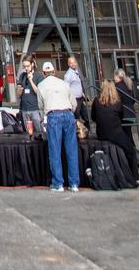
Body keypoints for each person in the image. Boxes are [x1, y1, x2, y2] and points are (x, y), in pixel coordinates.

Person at [36, 59, 79, 192]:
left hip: (53, 115)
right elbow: (74, 103)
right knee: (71, 150)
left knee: (55, 151)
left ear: (43, 73)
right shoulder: (64, 83)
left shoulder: (41, 85)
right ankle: (74, 184)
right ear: (54, 72)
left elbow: (40, 106)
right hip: (68, 114)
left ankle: (58, 183)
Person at [92, 79, 139, 183]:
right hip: (115, 133)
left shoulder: (96, 101)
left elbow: (93, 117)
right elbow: (121, 117)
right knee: (131, 149)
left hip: (101, 133)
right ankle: (134, 177)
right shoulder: (117, 102)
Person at [17, 57, 43, 139]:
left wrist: (31, 80)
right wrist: (19, 89)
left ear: (32, 64)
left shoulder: (38, 76)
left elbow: (38, 92)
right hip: (24, 109)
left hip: (35, 108)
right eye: (24, 66)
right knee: (28, 132)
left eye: (27, 66)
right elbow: (18, 95)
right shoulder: (22, 76)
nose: (26, 68)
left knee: (38, 132)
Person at [113, 67, 137, 147]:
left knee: (125, 133)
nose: (114, 78)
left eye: (114, 76)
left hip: (124, 114)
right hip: (131, 113)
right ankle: (131, 148)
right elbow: (133, 99)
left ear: (117, 76)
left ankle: (130, 149)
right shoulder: (128, 84)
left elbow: (116, 101)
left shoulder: (117, 87)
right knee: (128, 132)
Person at [65, 55, 88, 129]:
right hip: (75, 99)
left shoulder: (76, 71)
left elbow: (78, 85)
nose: (73, 64)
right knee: (76, 117)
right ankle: (77, 132)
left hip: (80, 98)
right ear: (68, 64)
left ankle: (87, 130)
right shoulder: (68, 75)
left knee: (86, 116)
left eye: (74, 62)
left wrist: (82, 93)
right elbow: (66, 88)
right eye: (71, 63)